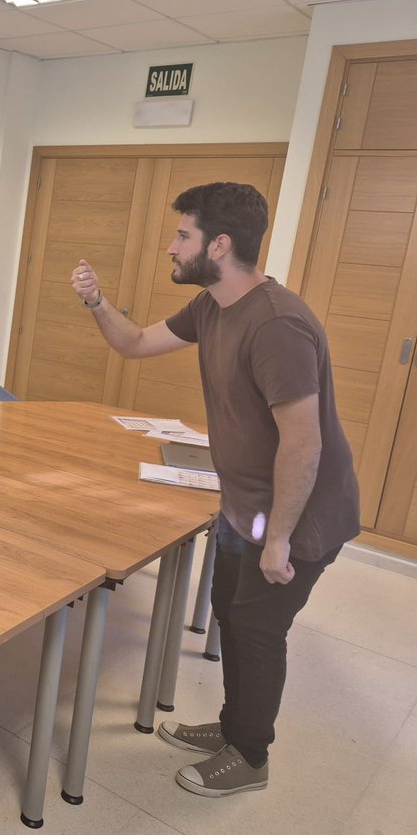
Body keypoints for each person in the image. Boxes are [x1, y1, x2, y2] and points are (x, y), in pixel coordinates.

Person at [70, 181, 359, 798]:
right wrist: (96, 302)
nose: (171, 248)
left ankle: (250, 757)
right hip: (246, 508)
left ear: (220, 245)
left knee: (257, 631)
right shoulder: (212, 307)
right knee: (231, 615)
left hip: (299, 517)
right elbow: (135, 343)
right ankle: (233, 728)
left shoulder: (278, 324)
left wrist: (278, 538)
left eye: (183, 236)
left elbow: (303, 444)